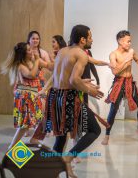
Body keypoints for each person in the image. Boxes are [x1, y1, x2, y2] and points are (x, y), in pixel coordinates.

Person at [42, 25, 103, 177]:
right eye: (90, 37)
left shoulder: (62, 51)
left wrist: (84, 83)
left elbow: (60, 78)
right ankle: (68, 157)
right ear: (83, 39)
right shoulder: (81, 54)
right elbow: (74, 80)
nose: (92, 40)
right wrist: (90, 90)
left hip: (55, 97)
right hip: (68, 99)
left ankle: (53, 172)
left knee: (60, 139)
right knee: (95, 130)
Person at [101, 30, 138, 145]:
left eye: (130, 41)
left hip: (129, 82)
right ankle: (107, 134)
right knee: (114, 108)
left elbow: (137, 60)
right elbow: (115, 71)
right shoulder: (113, 54)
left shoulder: (131, 51)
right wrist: (126, 62)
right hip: (119, 82)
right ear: (120, 41)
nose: (130, 44)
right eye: (128, 41)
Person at [0, 42, 44, 149]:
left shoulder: (28, 63)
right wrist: (37, 60)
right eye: (28, 50)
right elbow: (31, 75)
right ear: (23, 53)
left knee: (27, 125)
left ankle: (18, 150)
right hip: (25, 97)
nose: (31, 51)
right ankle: (12, 149)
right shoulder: (20, 66)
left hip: (30, 96)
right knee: (24, 126)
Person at [29, 35, 67, 145]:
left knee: (52, 117)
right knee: (48, 117)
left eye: (54, 42)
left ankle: (68, 155)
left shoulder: (61, 55)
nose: (52, 44)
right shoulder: (56, 55)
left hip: (59, 89)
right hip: (54, 89)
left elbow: (54, 72)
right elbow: (54, 73)